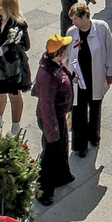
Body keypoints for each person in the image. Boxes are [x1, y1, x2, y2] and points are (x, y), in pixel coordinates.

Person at [66, 1, 112, 158]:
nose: (73, 22)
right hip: (78, 77)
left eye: (76, 19)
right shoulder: (71, 32)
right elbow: (67, 55)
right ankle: (79, 145)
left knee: (95, 107)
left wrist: (111, 72)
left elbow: (110, 50)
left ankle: (94, 136)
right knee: (79, 110)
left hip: (95, 75)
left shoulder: (101, 28)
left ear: (85, 16)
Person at [32, 34, 75, 206]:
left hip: (58, 115)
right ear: (59, 53)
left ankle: (62, 176)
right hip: (51, 119)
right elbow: (46, 106)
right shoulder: (48, 75)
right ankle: (43, 191)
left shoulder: (53, 64)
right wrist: (52, 131)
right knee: (50, 154)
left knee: (62, 146)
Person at [0, 0, 31, 135]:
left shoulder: (19, 24)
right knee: (0, 91)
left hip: (13, 66)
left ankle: (16, 124)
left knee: (14, 94)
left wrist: (5, 49)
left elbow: (24, 45)